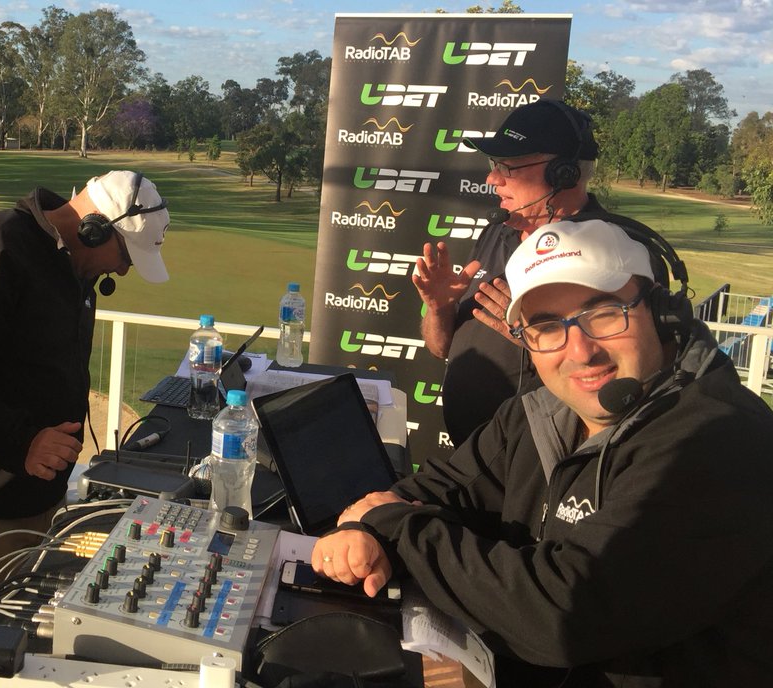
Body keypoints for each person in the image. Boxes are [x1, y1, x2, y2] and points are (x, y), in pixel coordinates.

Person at [314, 219, 773, 686]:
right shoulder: (539, 412)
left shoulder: (719, 440)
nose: (580, 350)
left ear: (659, 310)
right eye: (547, 327)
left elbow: (566, 614)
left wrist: (397, 528)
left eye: (604, 314)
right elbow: (444, 488)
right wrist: (363, 527)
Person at [0, 170, 170, 615]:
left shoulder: (71, 264)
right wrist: (22, 440)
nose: (124, 269)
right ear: (95, 229)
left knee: (21, 632)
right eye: (125, 253)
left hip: (38, 491)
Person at [413, 99, 667, 447]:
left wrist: (534, 336)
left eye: (508, 166)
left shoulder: (619, 252)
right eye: (493, 164)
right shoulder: (496, 233)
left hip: (547, 464)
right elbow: (440, 348)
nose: (492, 178)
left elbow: (630, 382)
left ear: (564, 174)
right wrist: (439, 308)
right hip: (472, 459)